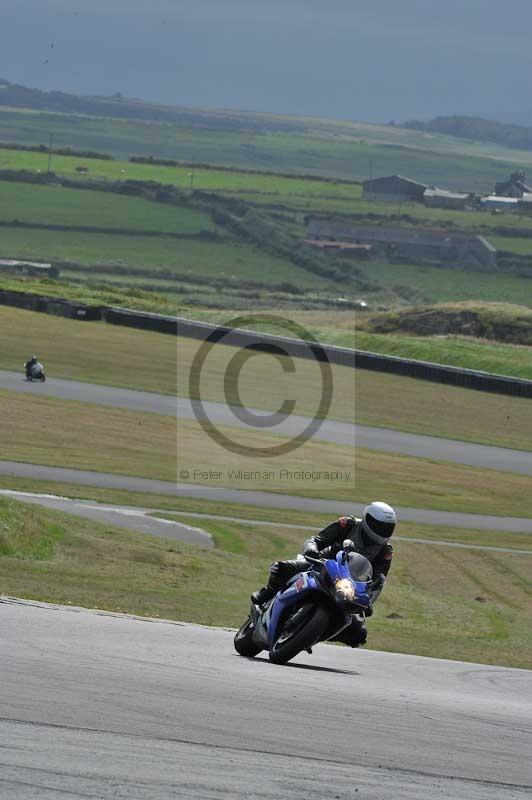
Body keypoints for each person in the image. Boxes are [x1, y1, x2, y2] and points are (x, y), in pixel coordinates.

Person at [251, 501, 397, 647]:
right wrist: (311, 548)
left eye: (388, 528)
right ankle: (267, 594)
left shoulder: (385, 552)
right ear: (368, 519)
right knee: (281, 568)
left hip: (349, 587)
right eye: (380, 526)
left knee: (359, 633)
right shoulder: (348, 524)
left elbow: (379, 580)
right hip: (322, 565)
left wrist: (369, 601)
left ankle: (312, 635)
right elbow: (317, 539)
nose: (383, 531)